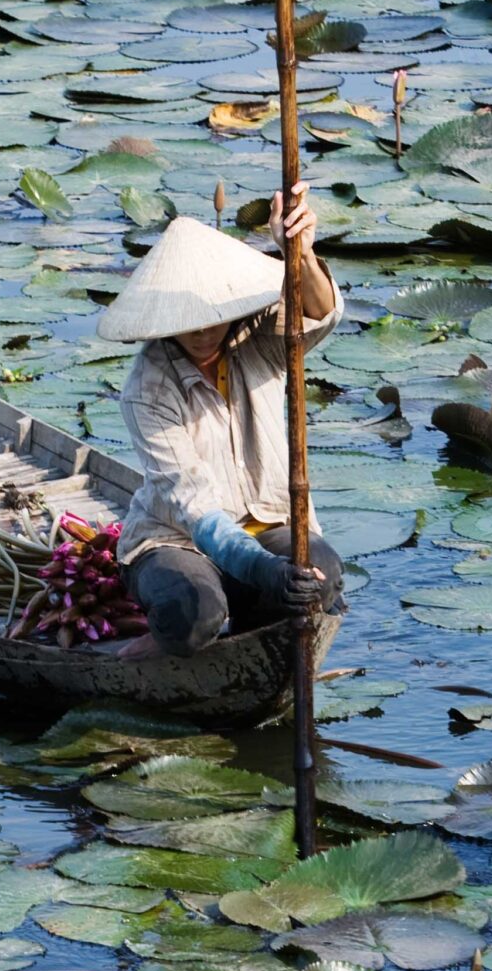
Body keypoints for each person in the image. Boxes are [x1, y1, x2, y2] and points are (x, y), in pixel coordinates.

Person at [99, 183, 345, 657]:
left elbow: (319, 314)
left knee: (323, 573)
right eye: (188, 320)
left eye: (212, 316)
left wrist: (301, 253)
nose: (202, 330)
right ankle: (157, 647)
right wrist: (264, 570)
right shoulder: (148, 387)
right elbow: (191, 504)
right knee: (192, 613)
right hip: (178, 540)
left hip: (268, 520)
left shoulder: (261, 338)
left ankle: (253, 635)